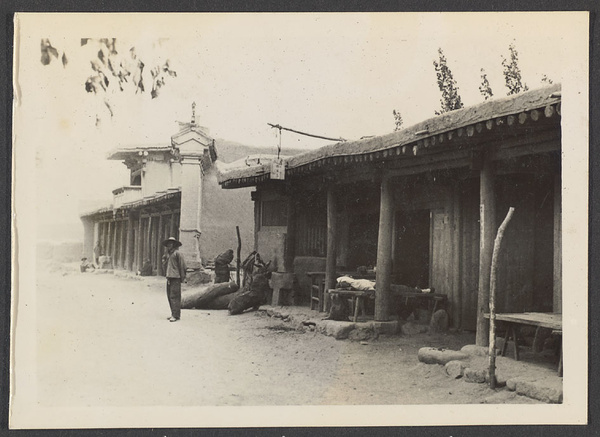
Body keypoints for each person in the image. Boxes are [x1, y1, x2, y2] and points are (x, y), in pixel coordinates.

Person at [162, 237, 187, 322]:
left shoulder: (177, 254)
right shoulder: (168, 255)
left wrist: (182, 278)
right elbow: (165, 266)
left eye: (171, 243)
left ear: (174, 245)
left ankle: (175, 315)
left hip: (175, 278)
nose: (169, 245)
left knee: (174, 296)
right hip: (169, 277)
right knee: (169, 296)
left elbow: (182, 266)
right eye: (168, 244)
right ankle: (174, 313)